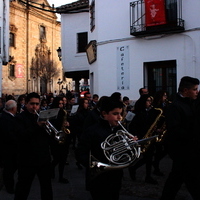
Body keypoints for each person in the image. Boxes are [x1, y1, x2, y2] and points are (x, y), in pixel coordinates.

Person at [76, 97, 129, 200]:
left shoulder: (121, 130)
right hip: (98, 178)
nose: (119, 117)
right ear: (104, 114)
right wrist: (93, 165)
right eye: (115, 114)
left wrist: (130, 145)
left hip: (115, 176)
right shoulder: (92, 131)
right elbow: (80, 152)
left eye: (120, 114)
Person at [160, 76, 200, 200]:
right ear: (185, 90)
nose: (197, 92)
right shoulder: (175, 107)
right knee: (190, 180)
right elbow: (175, 130)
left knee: (176, 179)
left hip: (190, 150)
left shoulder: (192, 103)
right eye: (194, 89)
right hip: (183, 150)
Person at [14, 92, 53, 200]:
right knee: (23, 189)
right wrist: (37, 125)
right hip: (27, 160)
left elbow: (47, 137)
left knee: (46, 188)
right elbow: (21, 136)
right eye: (32, 104)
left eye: (37, 104)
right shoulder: (20, 118)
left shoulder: (41, 117)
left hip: (43, 159)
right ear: (26, 104)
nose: (34, 106)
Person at [128, 94, 161, 184]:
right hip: (141, 136)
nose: (150, 102)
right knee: (146, 157)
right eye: (148, 100)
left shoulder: (152, 111)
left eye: (151, 100)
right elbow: (133, 126)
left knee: (148, 157)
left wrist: (156, 128)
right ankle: (137, 170)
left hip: (150, 136)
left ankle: (146, 175)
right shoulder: (138, 113)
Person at [49, 96, 70, 184]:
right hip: (55, 137)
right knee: (57, 158)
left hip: (63, 137)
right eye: (59, 104)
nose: (61, 105)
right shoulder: (52, 112)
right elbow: (51, 124)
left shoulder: (64, 112)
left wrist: (67, 124)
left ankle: (61, 176)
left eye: (62, 103)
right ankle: (51, 168)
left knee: (63, 158)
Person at [0, 100, 18, 194]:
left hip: (8, 148)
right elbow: (9, 134)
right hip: (8, 149)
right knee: (9, 169)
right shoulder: (6, 118)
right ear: (13, 108)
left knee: (10, 169)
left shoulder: (6, 116)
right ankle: (9, 187)